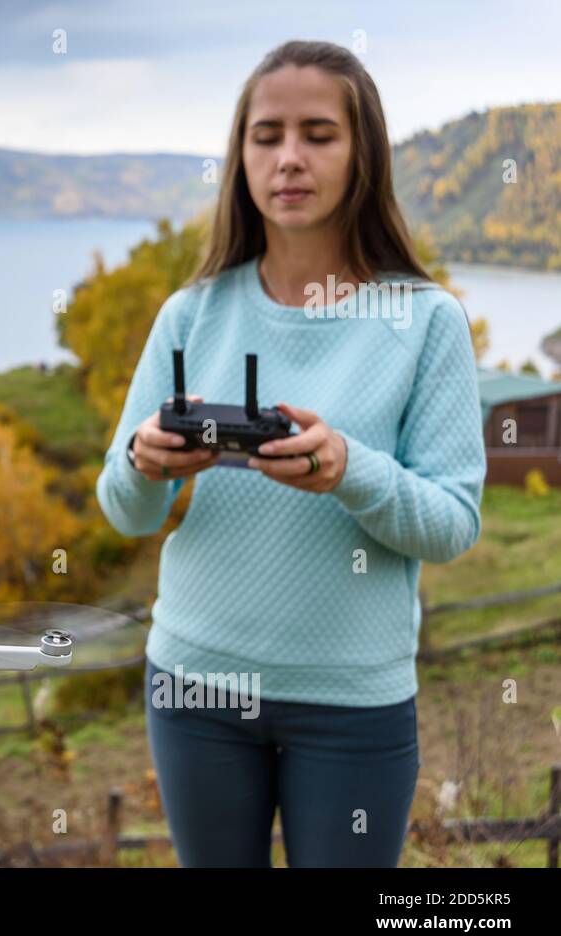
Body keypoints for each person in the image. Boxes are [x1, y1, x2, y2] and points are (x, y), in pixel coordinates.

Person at [96, 40, 486, 866]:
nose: (290, 158)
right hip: (194, 685)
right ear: (240, 157)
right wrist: (144, 460)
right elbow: (124, 511)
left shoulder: (426, 321)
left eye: (319, 133)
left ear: (363, 154)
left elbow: (453, 524)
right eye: (266, 135)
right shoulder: (190, 314)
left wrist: (351, 469)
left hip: (353, 699)